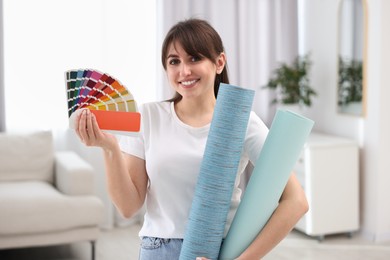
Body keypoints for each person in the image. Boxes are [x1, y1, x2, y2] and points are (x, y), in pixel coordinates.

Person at [75, 18, 308, 260]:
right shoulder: (148, 116)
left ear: (219, 62)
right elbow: (128, 207)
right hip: (158, 250)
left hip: (217, 251)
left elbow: (296, 201)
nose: (184, 71)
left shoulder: (242, 121)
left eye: (195, 58)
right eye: (174, 61)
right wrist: (110, 148)